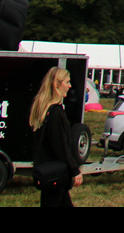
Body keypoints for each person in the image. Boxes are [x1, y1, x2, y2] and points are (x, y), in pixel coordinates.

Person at [29, 67, 83, 207]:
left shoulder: (43, 108)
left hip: (50, 171)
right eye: (67, 82)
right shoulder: (55, 113)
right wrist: (75, 170)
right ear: (57, 84)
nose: (70, 86)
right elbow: (61, 146)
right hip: (56, 173)